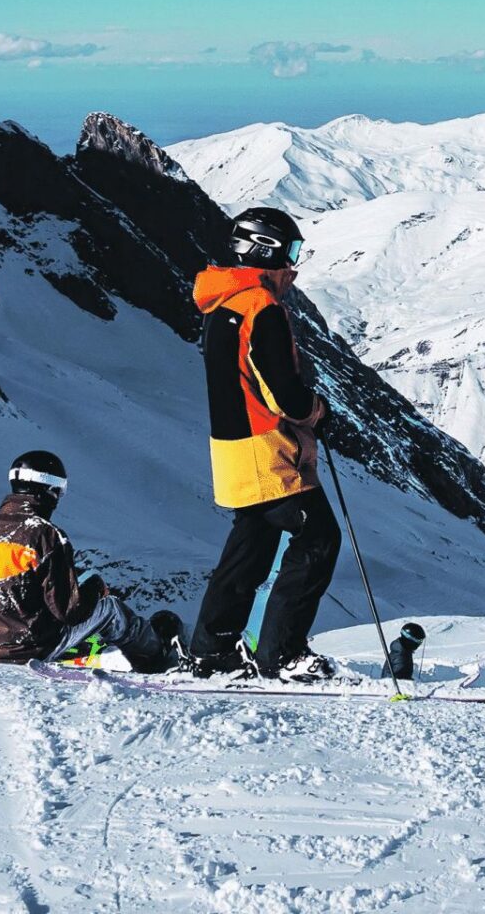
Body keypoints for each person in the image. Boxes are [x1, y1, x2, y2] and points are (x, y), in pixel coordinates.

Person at [189, 207, 342, 681]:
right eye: (291, 253)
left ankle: (212, 650)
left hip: (232, 449)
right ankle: (283, 654)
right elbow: (284, 394)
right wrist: (316, 411)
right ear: (265, 251)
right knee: (319, 540)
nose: (294, 266)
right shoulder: (261, 308)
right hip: (267, 451)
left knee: (251, 546)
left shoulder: (221, 304)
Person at [0, 451, 183, 672]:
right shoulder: (45, 534)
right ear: (51, 491)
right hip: (28, 648)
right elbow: (69, 612)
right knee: (110, 609)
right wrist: (95, 588)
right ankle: (156, 652)